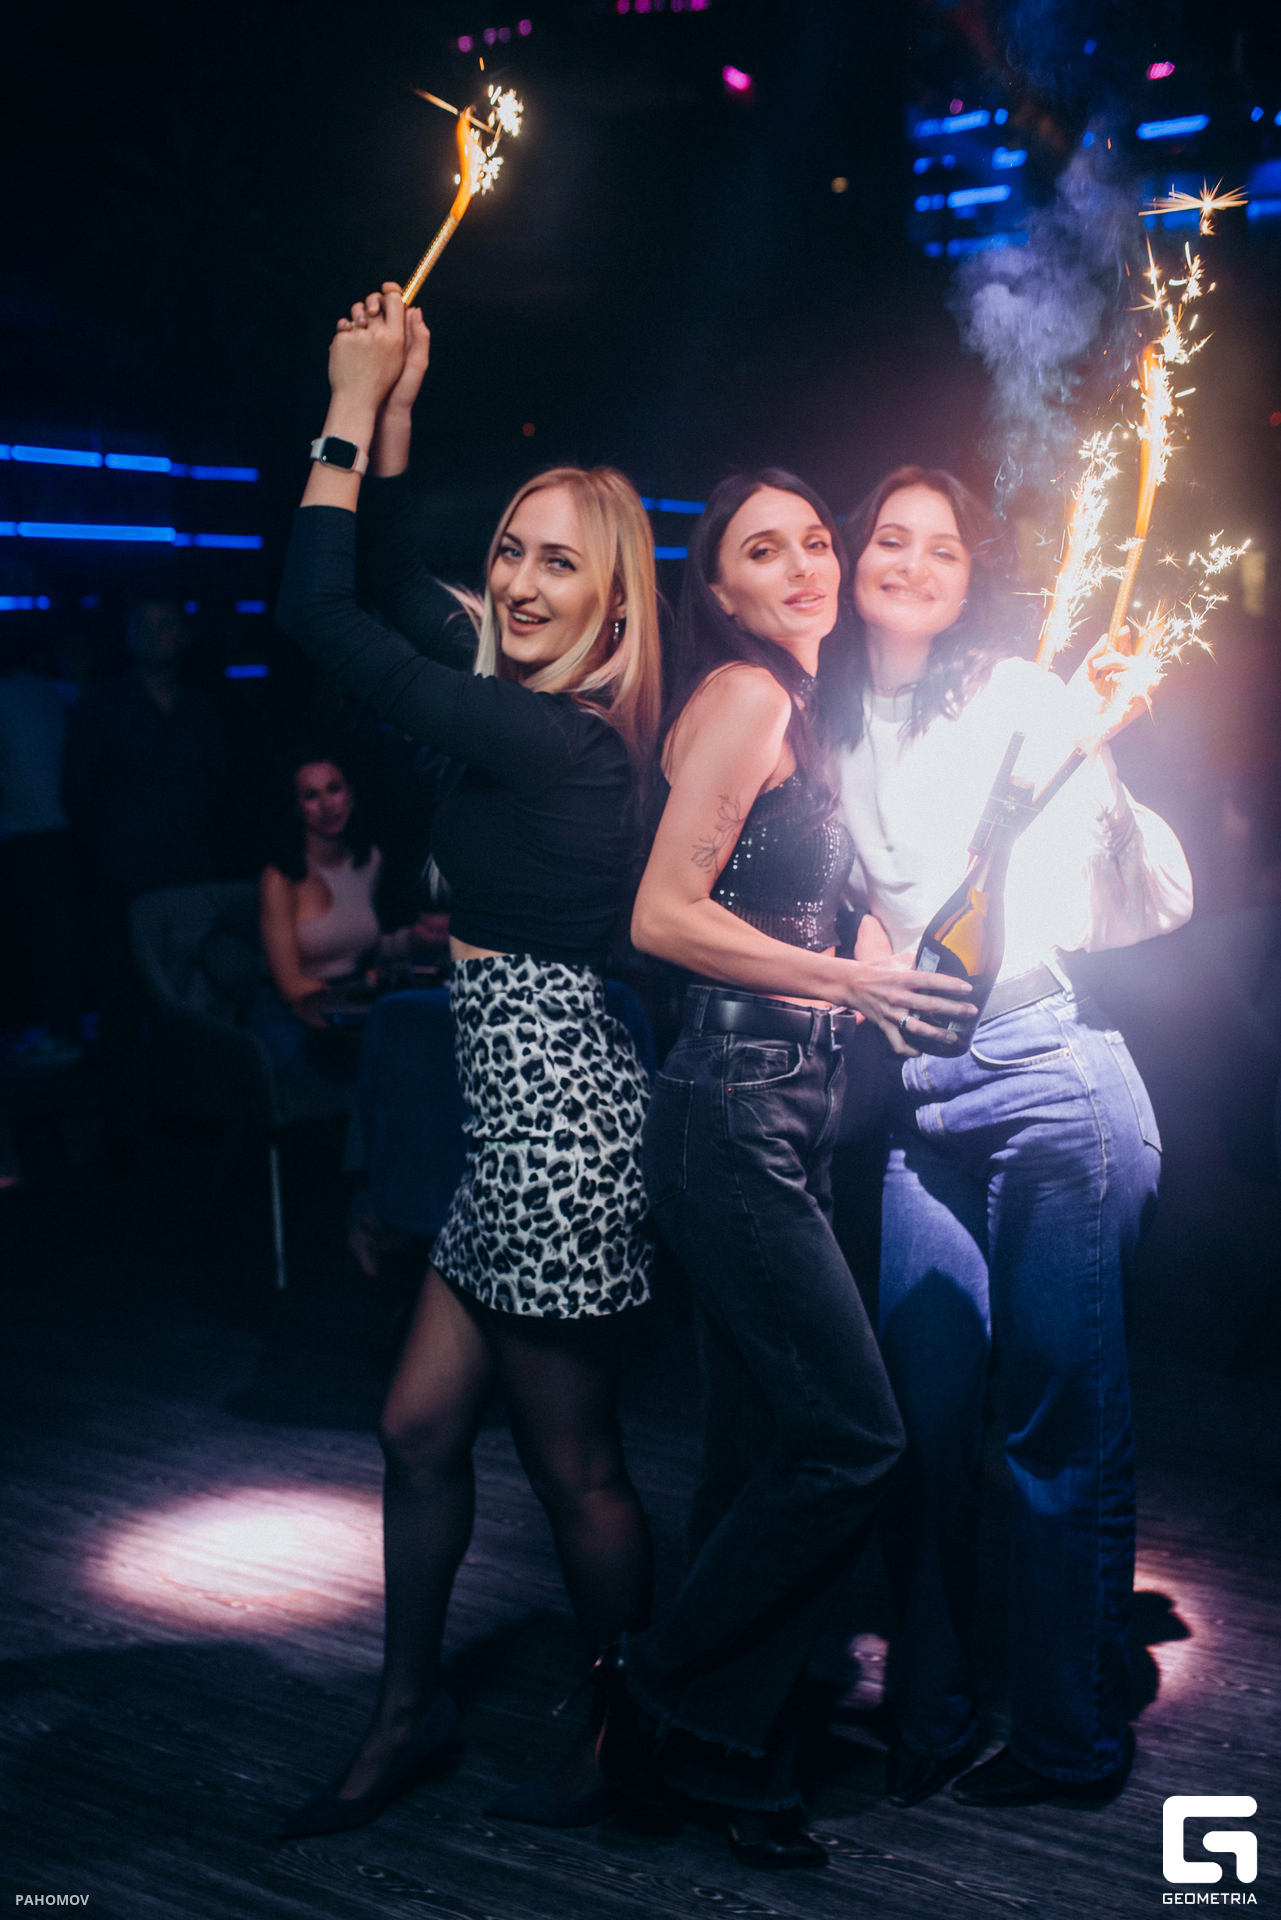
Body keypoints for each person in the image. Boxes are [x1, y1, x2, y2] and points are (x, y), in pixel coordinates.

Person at [273, 284, 664, 1837]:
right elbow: (381, 579)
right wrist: (395, 415)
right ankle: (410, 1709)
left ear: (614, 607)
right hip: (511, 1136)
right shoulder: (512, 697)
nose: (515, 581)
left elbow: (318, 621)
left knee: (577, 1467)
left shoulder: (561, 742)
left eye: (558, 562)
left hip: (562, 1136)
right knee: (418, 1428)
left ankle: (627, 1722)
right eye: (508, 549)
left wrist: (336, 400)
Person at [603, 471, 974, 1870]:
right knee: (853, 1439)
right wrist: (848, 982)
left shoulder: (804, 715)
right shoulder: (751, 697)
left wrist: (883, 957)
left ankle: (726, 1761)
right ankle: (659, 1699)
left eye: (817, 539)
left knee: (757, 1450)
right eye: (766, 550)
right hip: (731, 1105)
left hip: (781, 1110)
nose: (809, 564)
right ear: (721, 591)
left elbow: (814, 904)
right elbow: (661, 914)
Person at [832, 467, 1193, 1810]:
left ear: (970, 578)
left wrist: (1090, 751)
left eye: (944, 547)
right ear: (855, 557)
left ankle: (1065, 1742)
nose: (914, 562)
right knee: (920, 1425)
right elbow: (867, 902)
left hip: (1050, 1079)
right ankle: (927, 1716)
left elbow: (1138, 898)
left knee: (1056, 1432)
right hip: (920, 1108)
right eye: (891, 537)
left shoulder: (1025, 696)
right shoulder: (825, 717)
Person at [62, 599, 227, 1161]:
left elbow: (219, 789)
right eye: (147, 626)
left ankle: (194, 1117)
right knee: (121, 1002)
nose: (159, 636)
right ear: (130, 635)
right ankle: (124, 1133)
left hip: (191, 879)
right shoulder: (100, 706)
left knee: (193, 998)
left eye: (168, 625)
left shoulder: (203, 709)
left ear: (185, 635)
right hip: (123, 882)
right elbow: (77, 794)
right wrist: (113, 854)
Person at [0, 646, 83, 1066]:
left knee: (46, 940)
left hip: (32, 835)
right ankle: (62, 1029)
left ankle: (60, 1034)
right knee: (58, 937)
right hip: (65, 830)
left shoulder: (10, 696)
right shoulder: (48, 691)